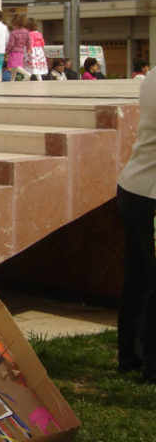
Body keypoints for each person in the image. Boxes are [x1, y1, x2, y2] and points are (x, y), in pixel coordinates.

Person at [116, 69, 156, 383]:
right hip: (152, 195)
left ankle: (130, 356)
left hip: (133, 187)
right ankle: (152, 369)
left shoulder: (152, 76)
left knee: (137, 282)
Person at [4, 14, 32, 82]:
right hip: (21, 51)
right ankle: (12, 79)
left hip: (14, 51)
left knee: (14, 66)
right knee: (15, 66)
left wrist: (7, 50)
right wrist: (29, 48)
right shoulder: (26, 32)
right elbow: (29, 41)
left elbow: (11, 44)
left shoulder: (14, 33)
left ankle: (26, 74)